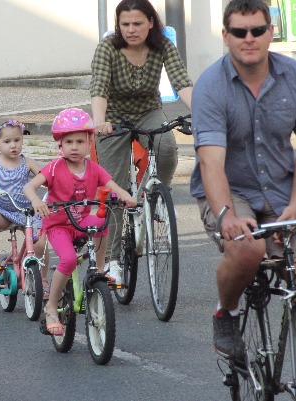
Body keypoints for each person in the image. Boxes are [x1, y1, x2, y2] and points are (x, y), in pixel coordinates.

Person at [190, 0, 296, 388]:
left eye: (257, 30)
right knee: (247, 248)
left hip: (283, 191)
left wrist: (295, 206)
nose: (248, 38)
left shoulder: (295, 77)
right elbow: (211, 161)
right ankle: (226, 312)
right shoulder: (211, 86)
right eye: (239, 32)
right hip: (231, 190)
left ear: (270, 32)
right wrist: (227, 216)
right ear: (225, 36)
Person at [89, 0, 193, 283]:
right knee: (113, 188)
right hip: (113, 117)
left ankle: (153, 197)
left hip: (148, 111)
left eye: (137, 23)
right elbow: (99, 88)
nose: (131, 30)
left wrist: (203, 115)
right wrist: (99, 120)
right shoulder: (108, 47)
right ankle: (112, 261)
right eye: (125, 24)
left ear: (150, 23)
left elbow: (182, 82)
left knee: (166, 146)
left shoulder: (163, 46)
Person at [23, 108, 136, 336]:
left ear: (89, 143)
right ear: (60, 144)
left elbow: (112, 185)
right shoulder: (54, 168)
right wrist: (36, 200)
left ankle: (100, 269)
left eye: (79, 142)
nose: (74, 147)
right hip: (58, 226)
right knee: (69, 260)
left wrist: (125, 196)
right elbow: (29, 187)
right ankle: (51, 307)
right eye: (68, 142)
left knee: (102, 223)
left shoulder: (93, 168)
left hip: (82, 220)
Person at [0, 118, 48, 288]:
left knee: (41, 243)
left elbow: (45, 176)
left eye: (17, 140)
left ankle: (43, 279)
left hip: (26, 212)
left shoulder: (27, 162)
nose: (13, 145)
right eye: (7, 141)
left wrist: (51, 182)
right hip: (2, 211)